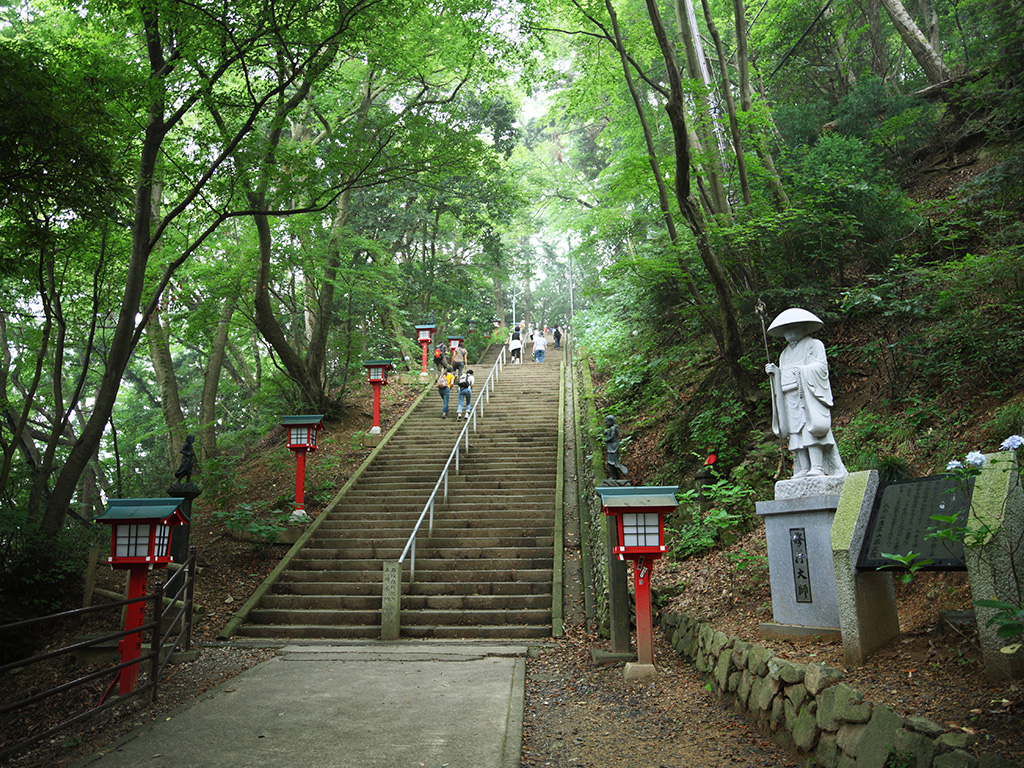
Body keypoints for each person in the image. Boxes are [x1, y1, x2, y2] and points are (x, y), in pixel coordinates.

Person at [764, 308, 846, 478]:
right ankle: (803, 467)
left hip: (807, 394)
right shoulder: (784, 354)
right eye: (785, 329)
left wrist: (800, 371)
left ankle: (817, 466)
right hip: (789, 397)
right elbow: (782, 373)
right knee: (795, 433)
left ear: (803, 328)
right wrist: (775, 373)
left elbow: (821, 368)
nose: (788, 333)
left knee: (810, 429)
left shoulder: (814, 345)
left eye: (792, 328)